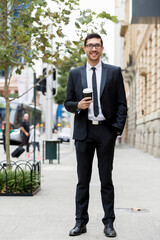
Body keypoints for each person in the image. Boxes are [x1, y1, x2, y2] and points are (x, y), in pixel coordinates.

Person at [65, 33, 127, 238]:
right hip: (84, 131)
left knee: (106, 179)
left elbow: (121, 104)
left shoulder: (114, 72)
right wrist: (78, 106)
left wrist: (116, 129)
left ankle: (109, 223)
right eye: (90, 45)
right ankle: (80, 222)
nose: (93, 49)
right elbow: (67, 102)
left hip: (105, 131)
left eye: (97, 45)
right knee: (82, 180)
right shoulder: (75, 74)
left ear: (102, 48)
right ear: (84, 48)